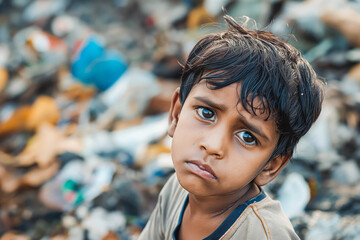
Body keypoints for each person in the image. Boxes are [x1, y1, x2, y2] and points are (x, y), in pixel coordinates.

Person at [139, 15, 324, 240]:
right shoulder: (175, 191)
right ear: (176, 114)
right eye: (207, 113)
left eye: (247, 136)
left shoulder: (263, 234)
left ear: (270, 166)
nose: (213, 145)